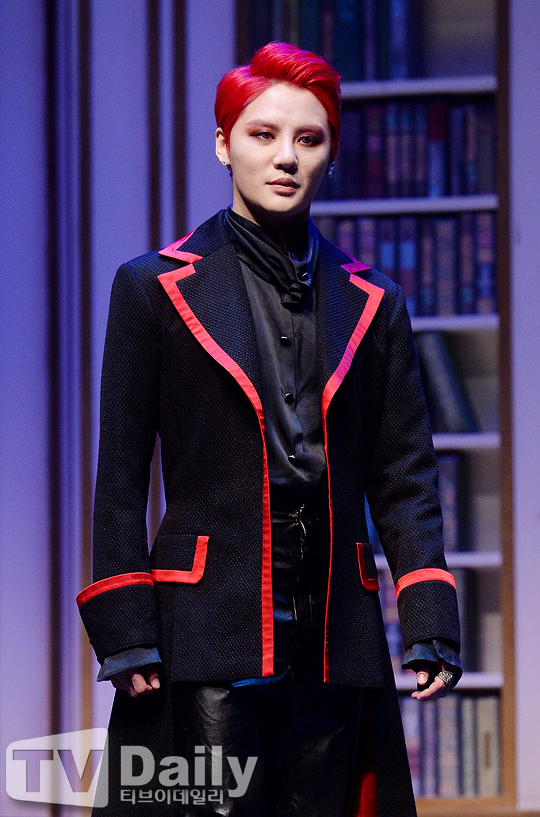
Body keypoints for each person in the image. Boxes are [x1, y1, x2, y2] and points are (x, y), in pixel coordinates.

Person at [78, 42, 461, 817]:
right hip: (208, 625)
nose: (286, 156)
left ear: (331, 154)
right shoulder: (152, 286)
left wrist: (428, 615)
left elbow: (404, 474)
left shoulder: (374, 300)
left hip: (336, 628)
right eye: (263, 134)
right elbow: (120, 472)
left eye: (309, 138)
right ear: (225, 144)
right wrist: (124, 628)